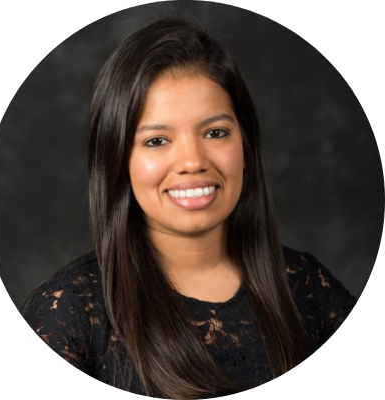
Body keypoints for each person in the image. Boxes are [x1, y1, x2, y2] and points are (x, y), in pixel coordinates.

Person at [22, 16, 357, 399]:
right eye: (156, 140)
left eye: (215, 133)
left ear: (245, 147)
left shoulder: (309, 287)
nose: (193, 161)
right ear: (117, 159)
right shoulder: (69, 312)